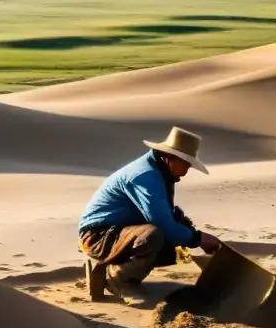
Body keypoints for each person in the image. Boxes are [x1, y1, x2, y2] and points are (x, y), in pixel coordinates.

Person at [78, 126, 221, 306]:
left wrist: (188, 233)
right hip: (97, 237)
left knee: (173, 248)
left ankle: (116, 270)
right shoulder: (146, 176)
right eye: (185, 164)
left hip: (119, 232)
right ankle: (118, 279)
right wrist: (198, 239)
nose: (186, 171)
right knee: (154, 236)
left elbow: (166, 216)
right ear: (170, 157)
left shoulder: (160, 171)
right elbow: (162, 223)